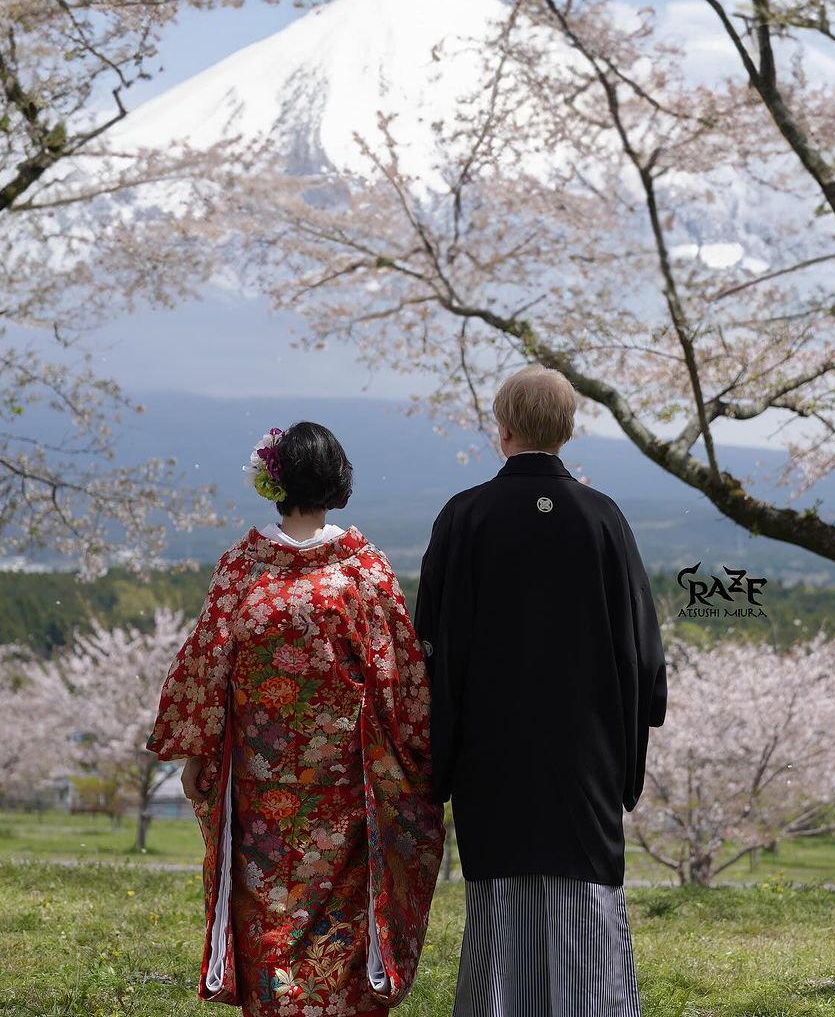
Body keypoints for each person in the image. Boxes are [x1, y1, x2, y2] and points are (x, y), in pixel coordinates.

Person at [148, 421, 444, 1016]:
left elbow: (207, 666)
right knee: (344, 925)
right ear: (338, 480)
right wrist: (424, 758)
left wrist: (198, 753)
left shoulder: (242, 570)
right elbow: (401, 678)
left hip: (262, 797)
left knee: (269, 927)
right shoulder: (362, 571)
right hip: (347, 793)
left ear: (272, 482)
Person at [415, 365, 667, 1017]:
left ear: (503, 431)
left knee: (499, 901)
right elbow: (641, 651)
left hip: (491, 752)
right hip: (585, 754)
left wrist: (438, 755)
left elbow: (429, 649)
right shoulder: (601, 517)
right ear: (568, 430)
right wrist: (636, 725)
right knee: (587, 896)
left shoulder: (464, 516)